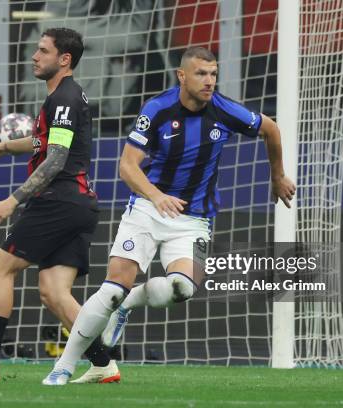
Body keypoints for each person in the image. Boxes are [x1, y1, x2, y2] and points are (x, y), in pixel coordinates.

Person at [42, 46, 296, 385]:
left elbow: (271, 129)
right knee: (112, 288)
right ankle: (63, 367)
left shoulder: (224, 110)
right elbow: (127, 166)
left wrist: (277, 176)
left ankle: (128, 304)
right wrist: (157, 196)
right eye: (201, 74)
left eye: (213, 74)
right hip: (147, 208)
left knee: (182, 289)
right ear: (182, 76)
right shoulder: (157, 109)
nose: (209, 82)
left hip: (193, 220)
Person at [0, 27, 119, 383]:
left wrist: (13, 200)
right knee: (54, 293)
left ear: (64, 59)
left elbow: (56, 158)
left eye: (43, 51)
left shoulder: (64, 98)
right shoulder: (64, 97)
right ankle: (103, 363)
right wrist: (4, 147)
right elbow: (44, 142)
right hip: (79, 204)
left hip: (58, 199)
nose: (34, 57)